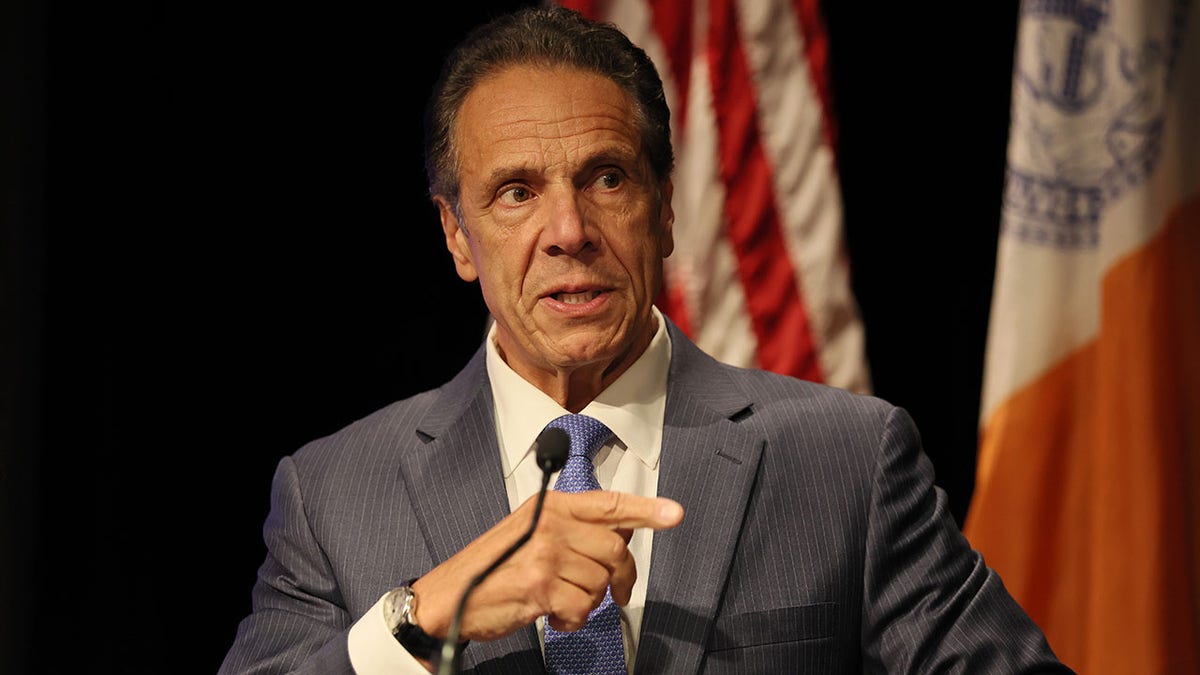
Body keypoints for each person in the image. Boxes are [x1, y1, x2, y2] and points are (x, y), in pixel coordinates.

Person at [218, 6, 1072, 674]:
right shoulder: (333, 495)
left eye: (607, 177)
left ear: (664, 210)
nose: (568, 230)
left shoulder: (847, 459)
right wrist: (428, 610)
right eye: (516, 192)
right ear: (456, 235)